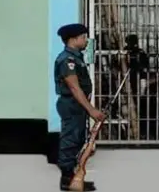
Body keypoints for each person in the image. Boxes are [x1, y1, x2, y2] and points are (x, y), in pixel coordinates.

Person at [54, 23, 104, 191]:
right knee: (70, 140)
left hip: (77, 105)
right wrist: (91, 110)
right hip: (71, 104)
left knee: (78, 140)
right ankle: (67, 180)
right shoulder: (67, 60)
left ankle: (75, 178)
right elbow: (74, 88)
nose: (86, 40)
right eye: (83, 37)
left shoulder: (75, 57)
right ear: (73, 39)